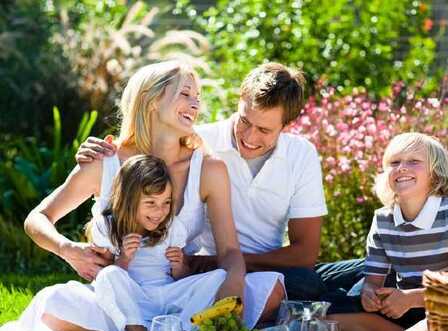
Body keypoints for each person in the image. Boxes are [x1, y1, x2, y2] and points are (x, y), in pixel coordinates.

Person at [10, 60, 284, 331]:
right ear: (151, 99)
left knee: (270, 289)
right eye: (185, 94)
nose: (195, 105)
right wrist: (67, 250)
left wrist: (233, 286)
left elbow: (229, 251)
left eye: (197, 98)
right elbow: (37, 218)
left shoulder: (208, 169)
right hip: (118, 294)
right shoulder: (105, 161)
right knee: (53, 303)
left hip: (178, 293)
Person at [77, 62, 364, 301]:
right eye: (244, 121)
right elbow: (142, 160)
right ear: (238, 102)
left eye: (264, 130)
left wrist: (231, 264)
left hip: (252, 265)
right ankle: (341, 310)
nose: (250, 138)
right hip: (208, 272)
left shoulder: (300, 154)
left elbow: (305, 253)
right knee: (309, 287)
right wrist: (99, 152)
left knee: (370, 270)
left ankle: (352, 304)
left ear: (286, 126)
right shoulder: (196, 142)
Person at [326, 132, 448, 331]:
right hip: (399, 309)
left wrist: (410, 299)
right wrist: (370, 295)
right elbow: (372, 281)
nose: (402, 167)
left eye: (414, 161)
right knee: (329, 314)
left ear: (435, 173)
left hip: (445, 307)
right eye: (394, 162)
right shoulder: (382, 219)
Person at [90, 154, 247, 331]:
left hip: (168, 294)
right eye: (150, 203)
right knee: (108, 275)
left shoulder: (172, 227)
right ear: (128, 200)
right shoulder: (109, 227)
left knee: (219, 277)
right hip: (136, 298)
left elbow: (182, 278)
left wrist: (179, 267)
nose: (160, 212)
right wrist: (123, 259)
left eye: (166, 203)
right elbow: (110, 277)